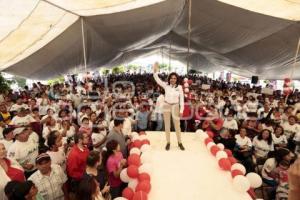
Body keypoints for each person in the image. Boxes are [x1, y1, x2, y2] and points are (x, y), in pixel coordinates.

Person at [153, 62, 185, 150]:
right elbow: (157, 79)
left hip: (175, 106)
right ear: (169, 78)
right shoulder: (166, 85)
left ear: (177, 79)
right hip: (166, 105)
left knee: (177, 125)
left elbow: (182, 99)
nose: (173, 79)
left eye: (174, 78)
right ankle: (168, 142)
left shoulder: (180, 87)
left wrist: (181, 110)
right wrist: (155, 71)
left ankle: (180, 142)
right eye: (171, 78)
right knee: (167, 125)